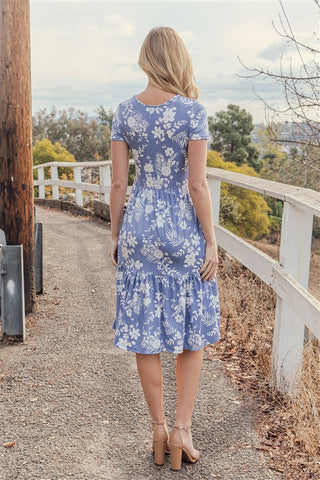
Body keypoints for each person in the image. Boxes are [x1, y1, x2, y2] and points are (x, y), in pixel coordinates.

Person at [109, 26, 220, 471]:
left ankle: (157, 429)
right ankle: (182, 430)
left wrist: (115, 235)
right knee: (191, 330)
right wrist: (211, 240)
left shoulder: (124, 112)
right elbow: (197, 184)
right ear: (179, 59)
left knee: (145, 331)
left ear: (145, 59)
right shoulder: (193, 111)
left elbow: (119, 183)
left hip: (138, 228)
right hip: (180, 231)